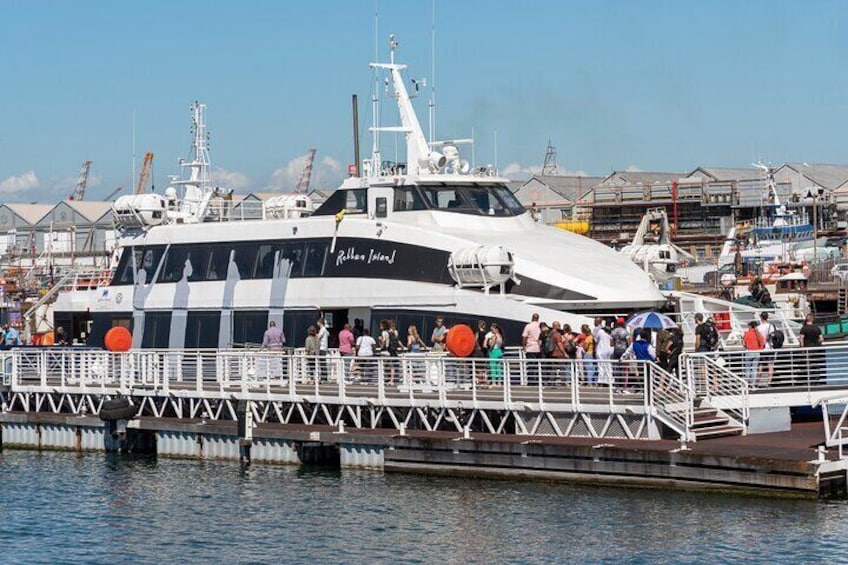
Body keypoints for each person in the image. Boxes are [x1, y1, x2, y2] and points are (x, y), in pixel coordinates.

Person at [799, 314, 824, 385]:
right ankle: (817, 380)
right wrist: (817, 343)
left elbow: (801, 339)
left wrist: (802, 348)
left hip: (807, 349)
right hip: (816, 349)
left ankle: (809, 380)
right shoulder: (817, 328)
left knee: (808, 365)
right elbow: (821, 339)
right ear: (812, 319)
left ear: (807, 320)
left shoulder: (804, 328)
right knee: (816, 365)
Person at [756, 312, 776, 386]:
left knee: (760, 365)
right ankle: (769, 382)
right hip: (770, 347)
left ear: (761, 317)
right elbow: (773, 336)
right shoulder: (771, 326)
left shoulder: (758, 327)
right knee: (770, 366)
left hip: (762, 348)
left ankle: (757, 382)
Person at [743, 320, 765, 386]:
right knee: (754, 369)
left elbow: (744, 343)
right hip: (757, 352)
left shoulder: (747, 333)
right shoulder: (758, 333)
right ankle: (753, 384)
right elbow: (762, 342)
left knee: (747, 369)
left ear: (750, 326)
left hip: (749, 352)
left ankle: (747, 384)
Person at [522, 313, 542, 384]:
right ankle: (538, 381)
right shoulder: (540, 326)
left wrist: (524, 346)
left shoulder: (528, 326)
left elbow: (524, 337)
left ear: (532, 318)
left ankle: (531, 382)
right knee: (538, 366)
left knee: (531, 366)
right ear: (538, 318)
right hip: (539, 348)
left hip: (530, 348)